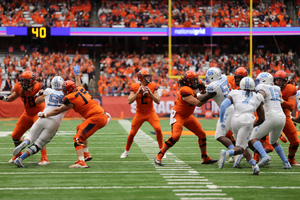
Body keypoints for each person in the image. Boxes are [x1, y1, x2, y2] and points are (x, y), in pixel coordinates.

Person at [38, 66, 112, 168]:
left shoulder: (70, 98)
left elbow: (58, 110)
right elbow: (78, 84)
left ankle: (81, 162)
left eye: (64, 89)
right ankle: (86, 154)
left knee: (77, 138)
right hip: (101, 114)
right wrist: (77, 75)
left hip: (96, 117)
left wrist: (45, 114)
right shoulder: (80, 89)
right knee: (79, 128)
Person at [154, 70, 218, 166]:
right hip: (178, 115)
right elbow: (198, 103)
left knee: (202, 134)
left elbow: (205, 88)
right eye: (192, 81)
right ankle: (159, 155)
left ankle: (204, 157)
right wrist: (208, 95)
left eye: (196, 80)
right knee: (175, 136)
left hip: (188, 116)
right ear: (187, 82)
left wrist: (206, 90)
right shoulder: (185, 90)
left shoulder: (197, 83)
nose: (195, 82)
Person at [13, 76, 66, 167]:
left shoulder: (48, 90)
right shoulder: (68, 97)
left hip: (42, 117)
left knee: (31, 136)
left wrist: (40, 94)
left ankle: (25, 142)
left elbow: (37, 100)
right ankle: (20, 158)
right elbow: (59, 110)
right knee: (39, 144)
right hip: (53, 122)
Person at [218, 77, 265, 175]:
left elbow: (223, 106)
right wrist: (253, 125)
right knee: (241, 147)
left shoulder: (234, 92)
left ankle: (254, 166)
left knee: (244, 145)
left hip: (235, 120)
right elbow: (262, 118)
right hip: (247, 120)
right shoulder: (258, 96)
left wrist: (222, 120)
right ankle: (228, 153)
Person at [0, 71, 49, 165]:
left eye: (26, 81)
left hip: (38, 113)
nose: (23, 83)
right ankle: (18, 154)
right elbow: (10, 98)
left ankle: (44, 157)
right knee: (15, 135)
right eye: (22, 81)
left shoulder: (37, 87)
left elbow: (42, 93)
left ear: (32, 81)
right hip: (27, 114)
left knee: (40, 135)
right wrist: (1, 97)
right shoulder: (19, 87)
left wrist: (42, 94)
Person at [249, 72, 291, 169]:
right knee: (273, 141)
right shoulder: (277, 88)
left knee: (253, 137)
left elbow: (261, 96)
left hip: (271, 116)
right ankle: (286, 163)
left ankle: (264, 156)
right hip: (281, 116)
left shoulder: (262, 87)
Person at [197, 67, 237, 166]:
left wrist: (196, 93)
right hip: (235, 107)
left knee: (219, 135)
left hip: (228, 110)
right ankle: (241, 154)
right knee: (238, 134)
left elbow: (202, 98)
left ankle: (236, 152)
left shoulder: (213, 86)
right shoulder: (223, 78)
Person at [120, 69, 163, 158]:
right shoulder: (135, 87)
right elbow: (129, 101)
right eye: (146, 76)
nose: (148, 78)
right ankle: (126, 151)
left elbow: (158, 101)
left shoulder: (153, 86)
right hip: (139, 113)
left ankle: (161, 151)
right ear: (141, 78)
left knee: (158, 129)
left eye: (148, 76)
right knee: (132, 133)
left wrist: (150, 93)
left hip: (150, 112)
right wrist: (138, 91)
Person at [274, 70, 300, 166]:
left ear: (285, 81)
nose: (278, 82)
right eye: (277, 80)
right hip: (270, 115)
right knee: (262, 139)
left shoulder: (291, 89)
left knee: (295, 141)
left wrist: (281, 101)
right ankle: (256, 156)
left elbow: (291, 107)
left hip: (285, 115)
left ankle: (291, 159)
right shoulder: (270, 88)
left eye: (281, 80)